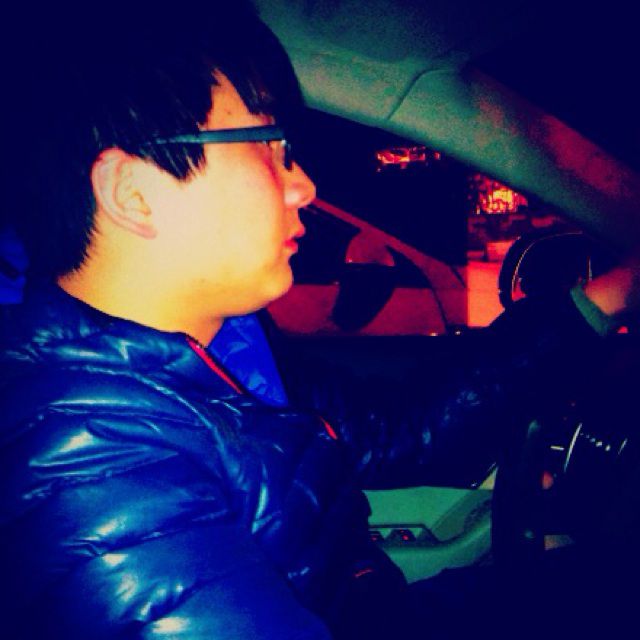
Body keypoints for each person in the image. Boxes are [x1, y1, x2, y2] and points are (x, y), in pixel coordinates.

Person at [1, 5, 639, 640]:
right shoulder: (90, 468)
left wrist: (609, 296)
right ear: (133, 194)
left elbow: (398, 429)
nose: (304, 186)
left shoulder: (228, 353)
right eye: (268, 147)